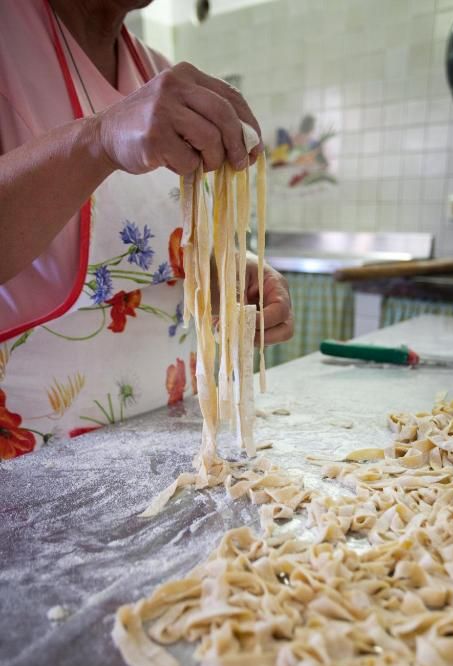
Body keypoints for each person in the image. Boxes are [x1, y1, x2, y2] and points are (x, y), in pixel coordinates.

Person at [0, 0, 293, 460]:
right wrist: (98, 138)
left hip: (174, 450)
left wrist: (228, 274)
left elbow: (167, 240)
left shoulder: (157, 72)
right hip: (30, 474)